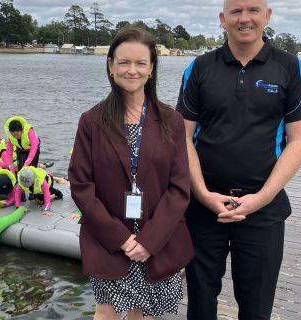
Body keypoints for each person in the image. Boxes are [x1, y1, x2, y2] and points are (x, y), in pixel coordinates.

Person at [176, 1, 301, 319]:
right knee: (200, 304)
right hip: (202, 208)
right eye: (236, 11)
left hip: (264, 212)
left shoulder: (291, 68)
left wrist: (259, 199)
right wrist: (203, 195)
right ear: (223, 19)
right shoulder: (199, 68)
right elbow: (181, 138)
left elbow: (300, 142)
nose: (244, 18)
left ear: (267, 16)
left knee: (256, 308)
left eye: (253, 9)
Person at [68, 27, 194, 319]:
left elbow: (179, 188)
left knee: (146, 315)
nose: (132, 70)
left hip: (159, 240)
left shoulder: (171, 120)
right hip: (109, 241)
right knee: (107, 313)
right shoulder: (92, 121)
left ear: (151, 69)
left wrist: (150, 240)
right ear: (111, 66)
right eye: (123, 62)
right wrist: (121, 239)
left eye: (140, 63)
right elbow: (81, 185)